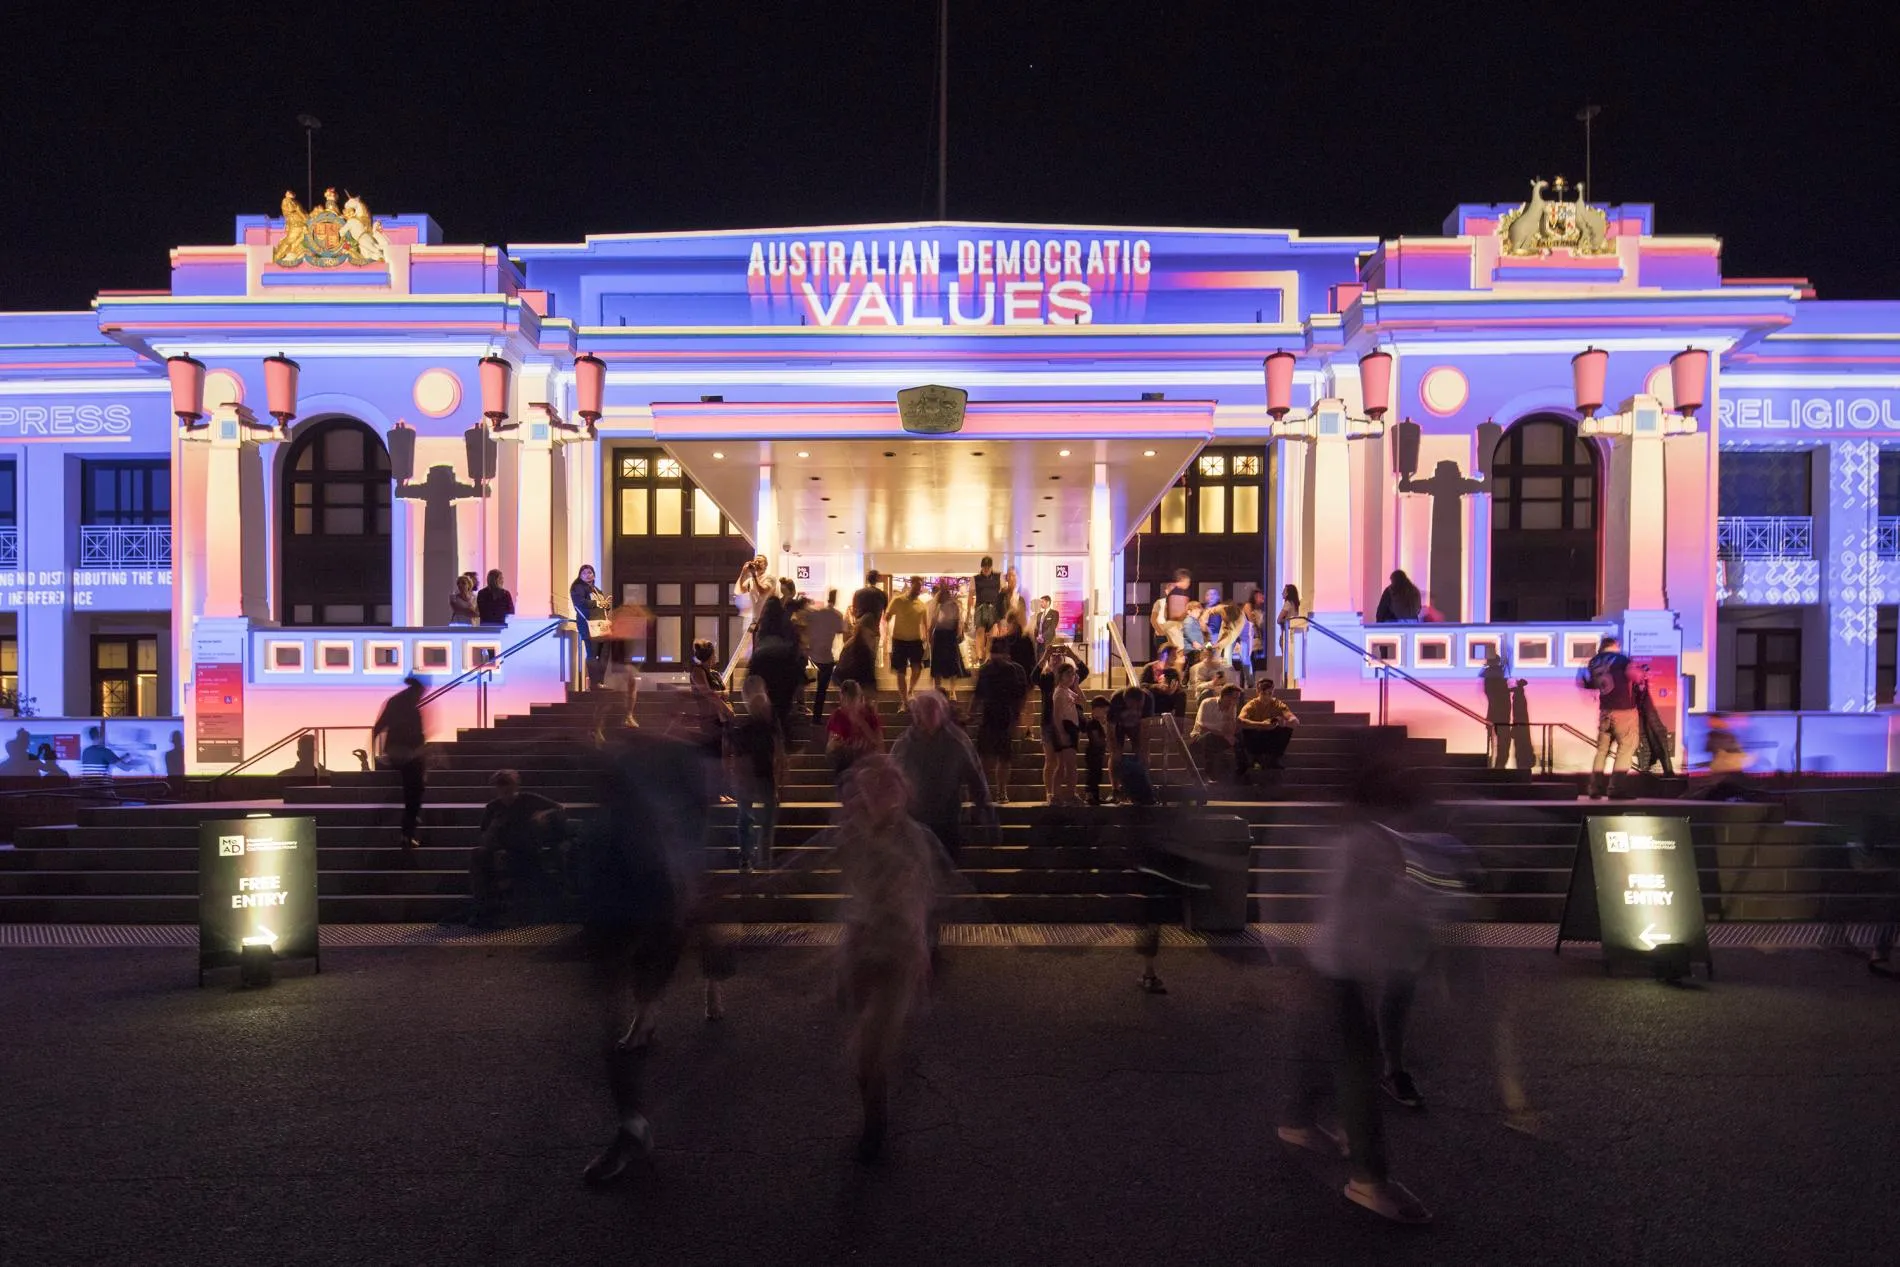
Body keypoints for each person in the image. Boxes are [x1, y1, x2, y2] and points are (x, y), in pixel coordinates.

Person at [1276, 734, 1438, 1225]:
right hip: (1342, 962)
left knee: (1330, 1046)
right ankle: (1368, 1179)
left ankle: (1298, 1120)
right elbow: (1377, 904)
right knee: (1359, 1066)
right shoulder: (1368, 838)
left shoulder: (1350, 829)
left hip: (1330, 957)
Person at [577, 728, 728, 1186]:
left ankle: (633, 1123)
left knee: (643, 978)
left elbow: (663, 854)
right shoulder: (637, 800)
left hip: (648, 903)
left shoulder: (645, 802)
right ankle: (633, 1119)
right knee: (626, 995)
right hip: (635, 906)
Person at [814, 755, 963, 1162]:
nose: (877, 796)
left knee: (868, 1049)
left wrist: (921, 945)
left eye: (887, 787)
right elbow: (811, 860)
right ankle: (873, 1099)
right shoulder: (851, 832)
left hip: (897, 950)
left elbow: (929, 892)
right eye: (870, 788)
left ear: (902, 793)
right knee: (855, 1017)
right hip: (860, 945)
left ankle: (874, 1124)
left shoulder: (916, 838)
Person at [890, 689, 992, 858]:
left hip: (947, 821)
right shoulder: (904, 744)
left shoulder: (956, 741)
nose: (928, 716)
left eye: (932, 711)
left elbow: (976, 779)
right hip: (915, 823)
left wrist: (986, 814)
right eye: (924, 711)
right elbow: (891, 779)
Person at [466, 769, 564, 926]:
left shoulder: (528, 799)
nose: (505, 789)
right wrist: (493, 830)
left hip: (525, 846)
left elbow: (558, 807)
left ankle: (510, 908)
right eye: (501, 785)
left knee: (516, 858)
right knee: (478, 855)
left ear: (515, 785)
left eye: (508, 784)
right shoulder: (493, 807)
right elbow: (484, 834)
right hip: (500, 847)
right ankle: (482, 906)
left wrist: (542, 815)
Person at [1579, 634, 1645, 799]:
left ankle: (1594, 788)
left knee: (1602, 751)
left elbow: (1589, 684)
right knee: (1626, 747)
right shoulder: (1622, 660)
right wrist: (1641, 674)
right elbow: (1635, 676)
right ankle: (1616, 788)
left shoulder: (1594, 662)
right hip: (1623, 710)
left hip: (1605, 710)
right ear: (1616, 645)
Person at [728, 676, 781, 870]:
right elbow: (777, 752)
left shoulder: (745, 728)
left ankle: (748, 856)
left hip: (754, 778)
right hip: (760, 777)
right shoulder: (763, 727)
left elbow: (776, 753)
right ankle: (759, 858)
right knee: (759, 821)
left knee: (747, 819)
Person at [372, 676, 428, 850]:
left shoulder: (396, 703)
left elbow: (379, 727)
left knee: (414, 790)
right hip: (406, 755)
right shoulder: (410, 707)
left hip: (398, 752)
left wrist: (376, 752)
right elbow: (417, 736)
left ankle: (409, 826)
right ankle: (407, 832)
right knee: (414, 792)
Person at [972, 636, 1030, 803]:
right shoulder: (989, 670)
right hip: (995, 717)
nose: (996, 656)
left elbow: (1020, 696)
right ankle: (991, 792)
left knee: (1000, 758)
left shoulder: (1012, 670)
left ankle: (999, 791)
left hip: (1002, 717)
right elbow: (978, 696)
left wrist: (1017, 719)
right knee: (990, 758)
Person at [744, 598, 808, 741]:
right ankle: (781, 733)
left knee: (767, 700)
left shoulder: (762, 624)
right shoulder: (785, 623)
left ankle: (766, 735)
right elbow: (794, 643)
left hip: (763, 663)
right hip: (784, 664)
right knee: (782, 704)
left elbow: (758, 645)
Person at [1035, 649, 1085, 804]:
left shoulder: (1068, 680)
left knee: (1064, 762)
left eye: (1059, 656)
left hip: (1067, 724)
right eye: (1053, 657)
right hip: (1051, 723)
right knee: (1052, 761)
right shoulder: (1046, 679)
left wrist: (1070, 653)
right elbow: (1033, 676)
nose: (1055, 659)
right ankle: (1051, 794)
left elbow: (1083, 671)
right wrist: (1046, 654)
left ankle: (1065, 793)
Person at [1236, 677, 1297, 779]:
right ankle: (1254, 757)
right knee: (1246, 730)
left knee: (1287, 730)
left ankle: (1275, 758)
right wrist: (1261, 725)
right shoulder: (1251, 705)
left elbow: (1295, 721)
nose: (1267, 697)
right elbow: (1240, 720)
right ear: (1258, 692)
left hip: (1271, 735)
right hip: (1256, 735)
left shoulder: (1278, 704)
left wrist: (1285, 723)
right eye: (1264, 694)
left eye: (1270, 693)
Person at [826, 679, 885, 781]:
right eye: (846, 700)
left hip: (867, 760)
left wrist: (862, 723)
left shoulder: (869, 714)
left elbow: (879, 743)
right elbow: (829, 747)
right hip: (847, 762)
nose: (849, 705)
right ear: (841, 698)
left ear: (860, 698)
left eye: (852, 700)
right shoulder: (838, 715)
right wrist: (834, 744)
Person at [885, 576, 930, 709]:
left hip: (915, 640)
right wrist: (886, 634)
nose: (918, 589)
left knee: (917, 669)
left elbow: (925, 624)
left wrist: (926, 638)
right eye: (916, 586)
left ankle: (910, 690)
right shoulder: (898, 600)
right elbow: (887, 616)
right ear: (911, 585)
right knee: (901, 671)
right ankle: (904, 700)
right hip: (899, 640)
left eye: (920, 587)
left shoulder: (922, 605)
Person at [802, 589, 847, 722]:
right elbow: (841, 630)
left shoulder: (815, 614)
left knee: (806, 685)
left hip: (811, 655)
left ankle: (804, 708)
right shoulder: (837, 615)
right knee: (822, 689)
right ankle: (817, 717)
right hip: (826, 657)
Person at [1190, 684, 1242, 781]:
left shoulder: (1232, 707)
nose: (1236, 701)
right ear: (1225, 696)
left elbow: (1230, 731)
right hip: (1200, 736)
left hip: (1219, 737)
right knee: (1210, 738)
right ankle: (1208, 775)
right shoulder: (1207, 703)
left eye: (1238, 698)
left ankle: (1240, 773)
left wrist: (1230, 714)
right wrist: (1224, 735)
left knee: (1239, 738)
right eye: (1235, 698)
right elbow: (1202, 727)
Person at [926, 580, 968, 701]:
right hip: (940, 635)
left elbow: (958, 620)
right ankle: (939, 689)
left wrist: (958, 633)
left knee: (952, 664)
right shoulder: (938, 606)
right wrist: (930, 635)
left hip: (949, 635)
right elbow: (933, 622)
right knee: (938, 664)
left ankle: (952, 691)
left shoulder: (954, 605)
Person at [571, 564, 608, 689]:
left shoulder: (597, 590)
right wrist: (597, 603)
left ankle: (601, 681)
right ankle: (594, 683)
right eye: (584, 573)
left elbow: (601, 607)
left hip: (601, 625)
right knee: (592, 653)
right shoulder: (578, 587)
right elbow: (580, 603)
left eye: (590, 572)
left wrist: (605, 605)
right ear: (580, 575)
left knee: (604, 653)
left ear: (594, 575)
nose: (588, 575)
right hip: (588, 625)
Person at [835, 614, 880, 700]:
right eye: (872, 636)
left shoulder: (851, 644)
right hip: (854, 681)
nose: (873, 641)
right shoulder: (861, 649)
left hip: (847, 681)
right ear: (864, 631)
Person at [969, 557, 1002, 661]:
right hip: (980, 607)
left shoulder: (999, 577)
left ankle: (988, 658)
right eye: (984, 567)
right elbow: (970, 596)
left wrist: (1002, 613)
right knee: (980, 632)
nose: (986, 569)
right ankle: (980, 658)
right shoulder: (975, 578)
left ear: (991, 566)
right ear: (981, 567)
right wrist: (967, 616)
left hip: (994, 608)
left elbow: (1002, 595)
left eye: (988, 566)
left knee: (992, 635)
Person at [1082, 696, 1112, 806]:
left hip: (1098, 752)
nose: (1105, 714)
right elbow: (1095, 738)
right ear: (1096, 709)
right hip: (1092, 752)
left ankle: (1095, 795)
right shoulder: (1092, 723)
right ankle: (1090, 795)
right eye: (1104, 711)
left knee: (1097, 774)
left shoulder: (1100, 723)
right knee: (1092, 774)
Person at [1156, 568, 1194, 651]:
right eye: (1188, 581)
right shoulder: (1178, 592)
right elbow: (1176, 615)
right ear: (1183, 579)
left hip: (1174, 626)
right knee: (1181, 651)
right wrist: (1188, 615)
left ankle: (1164, 661)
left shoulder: (1175, 592)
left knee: (1178, 651)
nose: (1189, 584)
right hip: (1174, 626)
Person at [849, 570, 889, 645]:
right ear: (877, 579)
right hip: (874, 631)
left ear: (867, 579)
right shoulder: (882, 594)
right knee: (872, 655)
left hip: (860, 631)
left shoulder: (858, 593)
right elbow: (885, 615)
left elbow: (853, 611)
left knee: (859, 655)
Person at [735, 555, 775, 630]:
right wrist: (743, 572)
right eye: (755, 561)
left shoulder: (770, 578)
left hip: (767, 620)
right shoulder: (751, 580)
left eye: (759, 561)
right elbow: (740, 590)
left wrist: (754, 575)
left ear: (766, 565)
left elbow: (763, 591)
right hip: (754, 620)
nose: (757, 563)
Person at [1277, 583, 1302, 659]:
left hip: (1286, 634)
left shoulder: (1288, 603)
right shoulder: (1296, 604)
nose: (1282, 593)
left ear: (1288, 593)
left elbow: (1279, 620)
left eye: (1284, 591)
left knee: (1286, 659)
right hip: (1294, 634)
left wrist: (1285, 621)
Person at [1032, 594, 1060, 660]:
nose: (1041, 603)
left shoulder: (1054, 613)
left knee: (1049, 659)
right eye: (1040, 602)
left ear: (1048, 602)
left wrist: (1043, 637)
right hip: (1039, 642)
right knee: (1039, 659)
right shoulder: (1039, 614)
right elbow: (1037, 628)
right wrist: (1036, 637)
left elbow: (1052, 628)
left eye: (1042, 602)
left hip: (1048, 641)